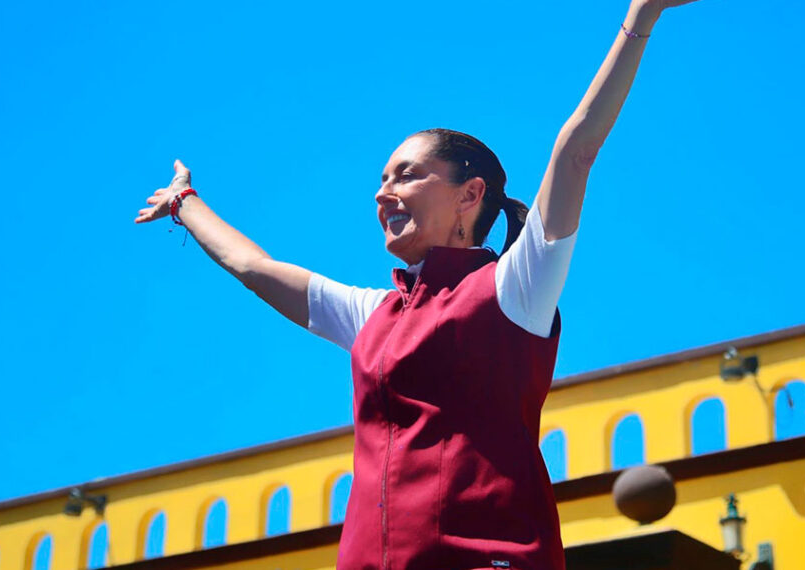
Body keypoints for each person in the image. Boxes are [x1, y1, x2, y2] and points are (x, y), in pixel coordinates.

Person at [135, 0, 698, 567]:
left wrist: (640, 17)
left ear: (470, 195)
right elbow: (255, 268)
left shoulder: (514, 290)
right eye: (381, 180)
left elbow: (576, 152)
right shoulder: (374, 314)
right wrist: (186, 202)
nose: (383, 193)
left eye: (406, 175)